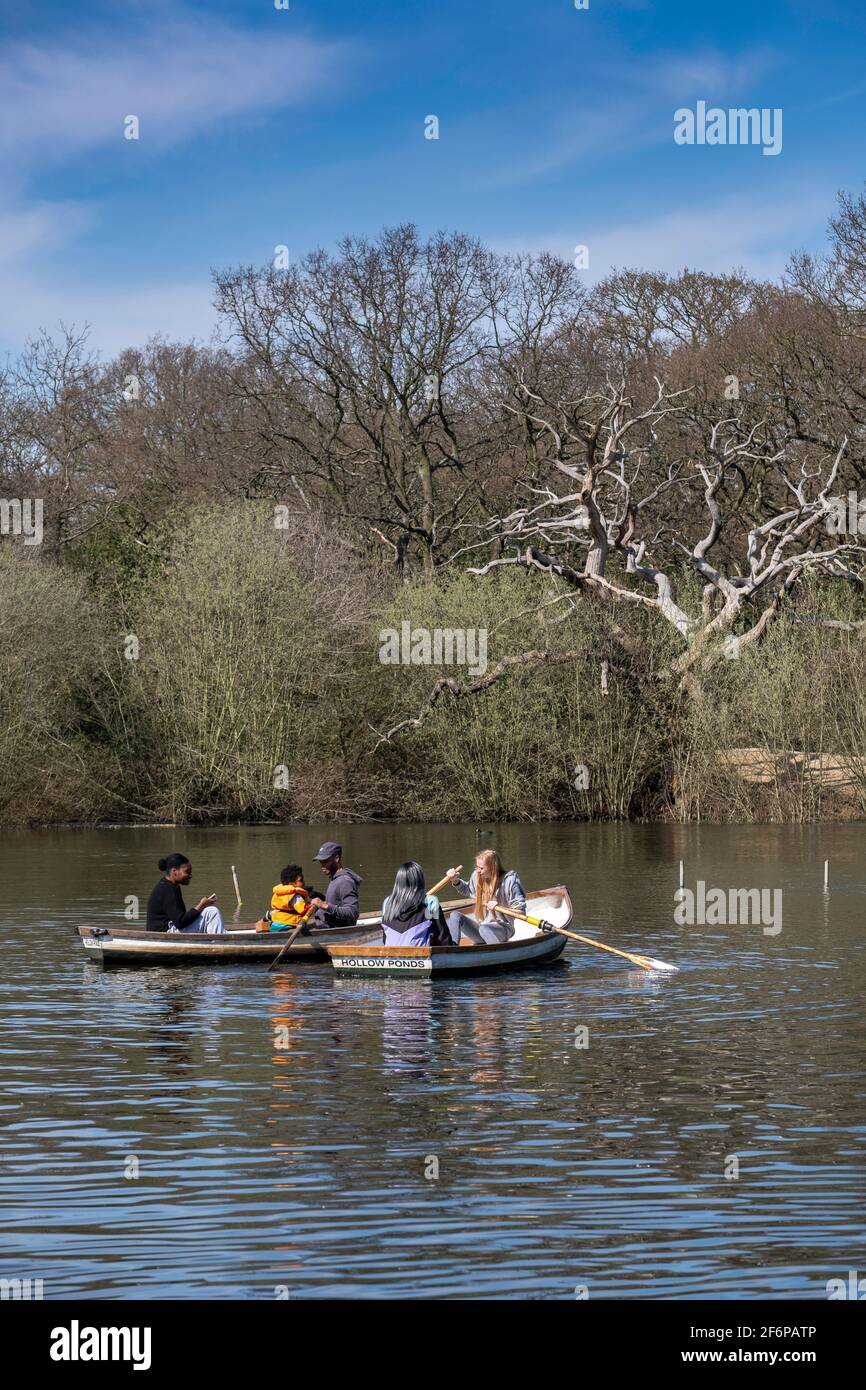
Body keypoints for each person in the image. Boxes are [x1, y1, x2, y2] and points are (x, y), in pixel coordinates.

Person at [445, 848, 526, 945]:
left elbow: (521, 912)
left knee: (485, 928)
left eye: (481, 868)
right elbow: (468, 890)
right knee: (455, 915)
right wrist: (455, 880)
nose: (478, 871)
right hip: (481, 928)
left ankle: (498, 954)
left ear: (493, 868)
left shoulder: (510, 881)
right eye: (477, 867)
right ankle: (451, 949)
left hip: (503, 929)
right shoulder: (478, 876)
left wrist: (499, 907)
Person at [146, 853, 225, 934]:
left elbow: (182, 919)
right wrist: (201, 905)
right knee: (212, 912)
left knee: (209, 911)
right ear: (174, 872)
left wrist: (201, 907)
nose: (190, 875)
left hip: (172, 929)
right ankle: (220, 941)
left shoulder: (172, 886)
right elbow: (180, 922)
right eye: (187, 872)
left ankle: (217, 938)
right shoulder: (166, 889)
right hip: (164, 932)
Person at [381, 862, 454, 947]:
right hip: (421, 955)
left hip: (392, 956)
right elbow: (443, 939)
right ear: (420, 880)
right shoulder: (430, 902)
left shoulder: (387, 902)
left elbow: (385, 939)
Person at [308, 842, 362, 928]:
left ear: (337, 858)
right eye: (320, 862)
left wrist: (324, 906)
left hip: (338, 930)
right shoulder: (335, 878)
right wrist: (315, 895)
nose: (322, 865)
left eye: (325, 861)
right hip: (326, 925)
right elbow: (336, 901)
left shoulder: (345, 881)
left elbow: (353, 912)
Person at [259, 864, 315, 934]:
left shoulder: (279, 893)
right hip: (287, 925)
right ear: (291, 883)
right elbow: (303, 910)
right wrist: (312, 905)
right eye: (301, 880)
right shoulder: (295, 896)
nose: (304, 882)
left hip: (275, 925)